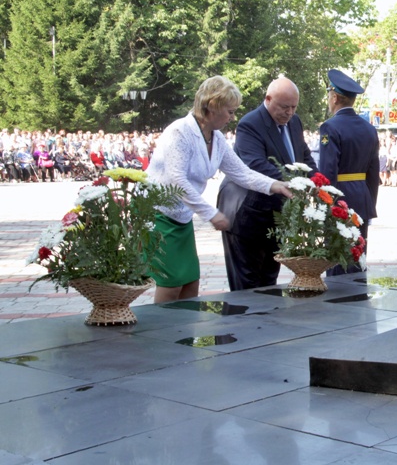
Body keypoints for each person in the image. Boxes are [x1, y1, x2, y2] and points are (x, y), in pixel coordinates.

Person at [146, 75, 292, 303]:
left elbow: (241, 172)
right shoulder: (179, 133)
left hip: (181, 219)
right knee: (171, 285)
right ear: (212, 107)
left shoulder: (216, 138)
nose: (233, 118)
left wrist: (275, 185)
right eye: (230, 111)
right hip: (160, 215)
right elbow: (176, 180)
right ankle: (163, 336)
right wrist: (211, 214)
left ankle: (185, 337)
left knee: (191, 284)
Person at [216, 76, 315, 291]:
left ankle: (267, 323)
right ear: (268, 99)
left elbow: (304, 158)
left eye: (294, 107)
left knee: (269, 279)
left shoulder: (294, 122)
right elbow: (256, 166)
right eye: (284, 107)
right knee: (247, 283)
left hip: (276, 214)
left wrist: (318, 183)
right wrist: (297, 185)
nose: (289, 113)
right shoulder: (250, 124)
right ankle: (244, 323)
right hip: (247, 213)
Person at [318, 69, 380, 274]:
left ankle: (339, 303)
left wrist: (326, 206)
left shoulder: (330, 127)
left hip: (340, 198)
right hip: (361, 196)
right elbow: (373, 172)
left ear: (334, 97)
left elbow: (328, 172)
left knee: (337, 256)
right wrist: (370, 204)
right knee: (357, 253)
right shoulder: (369, 129)